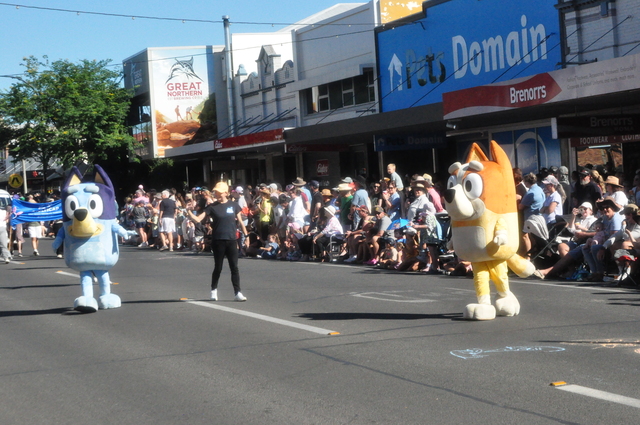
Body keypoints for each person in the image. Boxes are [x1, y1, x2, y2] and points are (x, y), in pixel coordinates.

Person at [186, 182, 249, 301]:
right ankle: (213, 290)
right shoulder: (212, 207)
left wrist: (246, 236)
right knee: (218, 267)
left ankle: (237, 293)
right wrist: (189, 212)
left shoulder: (234, 205)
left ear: (225, 193)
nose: (217, 194)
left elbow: (240, 222)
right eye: (215, 192)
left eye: (219, 192)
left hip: (231, 239)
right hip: (218, 240)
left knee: (234, 267)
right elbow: (198, 219)